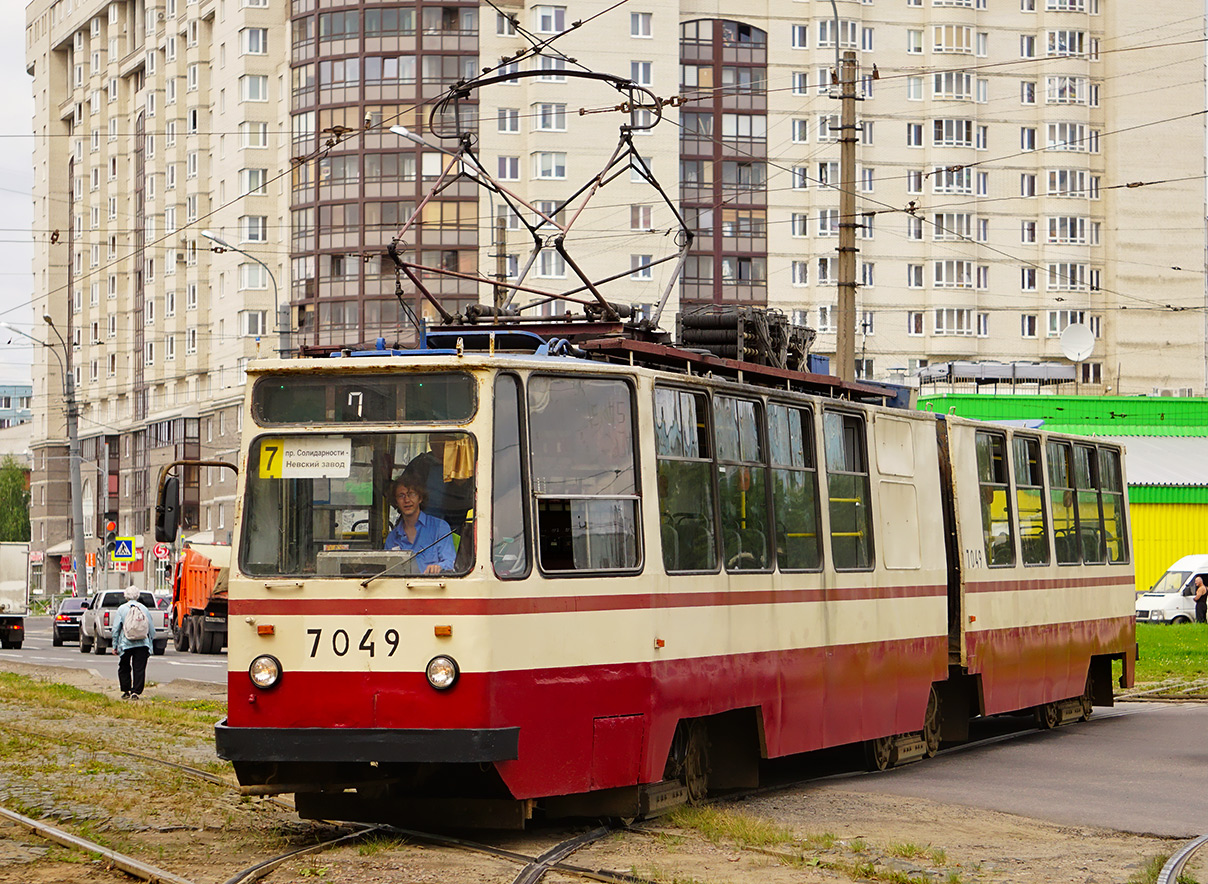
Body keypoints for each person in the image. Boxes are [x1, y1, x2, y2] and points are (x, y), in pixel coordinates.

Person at [384, 465, 456, 574]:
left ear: (420, 498)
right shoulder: (392, 538)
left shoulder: (440, 527)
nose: (407, 500)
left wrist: (438, 567)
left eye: (411, 494)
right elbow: (387, 571)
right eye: (401, 495)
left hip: (433, 588)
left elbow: (450, 562)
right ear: (396, 502)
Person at [409, 434, 475, 532]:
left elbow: (472, 501)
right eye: (435, 446)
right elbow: (400, 492)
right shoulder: (421, 464)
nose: (439, 451)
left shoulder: (464, 467)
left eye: (444, 446)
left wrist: (460, 485)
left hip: (456, 525)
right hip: (422, 525)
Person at [112, 587, 155, 700]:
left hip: (126, 643)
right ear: (138, 596)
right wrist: (149, 644)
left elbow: (116, 629)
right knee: (139, 668)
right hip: (142, 644)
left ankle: (126, 690)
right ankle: (136, 692)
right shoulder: (144, 609)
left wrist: (114, 645)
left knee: (124, 667)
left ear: (125, 596)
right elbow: (151, 629)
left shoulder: (121, 609)